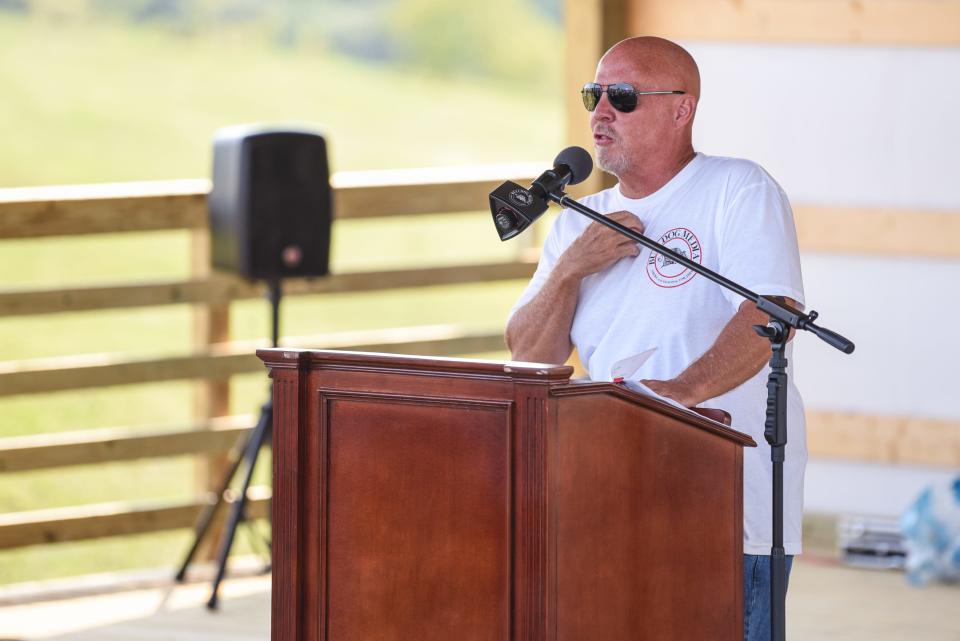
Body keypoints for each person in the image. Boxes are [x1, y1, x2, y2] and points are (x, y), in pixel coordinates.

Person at [505, 36, 806, 641]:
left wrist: (671, 399)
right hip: (606, 494)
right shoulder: (576, 222)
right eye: (595, 94)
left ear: (681, 108)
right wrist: (570, 270)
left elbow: (769, 314)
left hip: (723, 505)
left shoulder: (737, 189)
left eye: (622, 96)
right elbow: (529, 356)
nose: (599, 112)